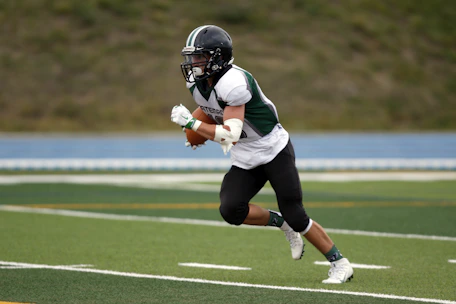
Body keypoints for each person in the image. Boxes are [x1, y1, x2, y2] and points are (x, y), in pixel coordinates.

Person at [171, 25, 353, 284]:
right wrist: (196, 127)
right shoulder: (197, 83)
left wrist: (192, 125)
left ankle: (340, 263)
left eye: (199, 57)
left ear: (218, 57)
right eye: (191, 57)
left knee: (297, 213)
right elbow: (209, 107)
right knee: (231, 209)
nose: (192, 63)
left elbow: (230, 133)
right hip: (245, 154)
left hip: (272, 148)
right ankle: (281, 223)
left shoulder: (235, 82)